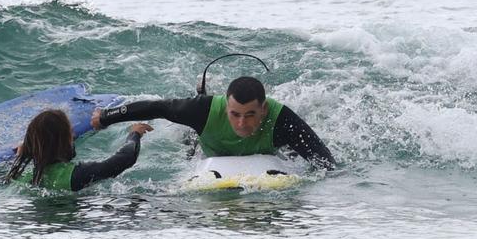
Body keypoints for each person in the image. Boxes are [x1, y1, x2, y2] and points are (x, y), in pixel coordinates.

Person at [91, 76, 335, 168]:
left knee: (293, 152)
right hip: (210, 144)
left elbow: (327, 165)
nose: (241, 123)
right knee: (192, 144)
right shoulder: (203, 110)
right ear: (226, 107)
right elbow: (157, 107)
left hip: (265, 149)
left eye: (250, 115)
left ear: (264, 109)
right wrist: (105, 117)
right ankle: (202, 93)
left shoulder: (283, 120)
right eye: (235, 114)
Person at [7, 109, 153, 191]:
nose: (74, 135)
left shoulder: (20, 175)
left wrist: (23, 153)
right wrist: (135, 133)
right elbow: (125, 158)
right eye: (70, 133)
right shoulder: (77, 176)